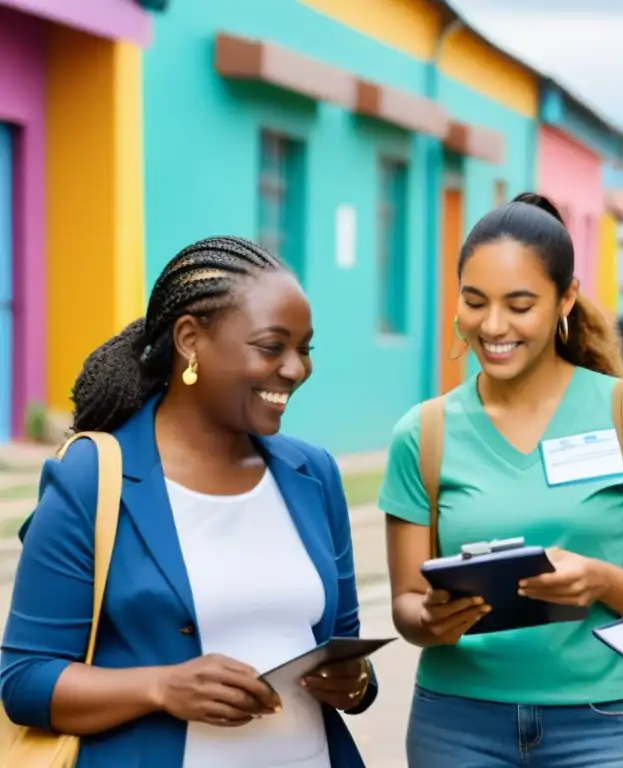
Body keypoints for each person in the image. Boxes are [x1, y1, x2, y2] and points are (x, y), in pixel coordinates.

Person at [0, 237, 377, 767]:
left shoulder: (313, 474)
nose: (296, 369)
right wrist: (162, 687)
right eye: (272, 346)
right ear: (189, 340)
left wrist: (355, 681)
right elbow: (25, 680)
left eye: (305, 349)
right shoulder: (92, 478)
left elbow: (346, 649)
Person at [380, 193, 623, 767]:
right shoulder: (424, 433)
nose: (493, 326)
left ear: (567, 298)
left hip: (603, 723)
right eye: (475, 301)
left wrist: (602, 580)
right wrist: (431, 619)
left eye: (520, 305)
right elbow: (407, 606)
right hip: (455, 724)